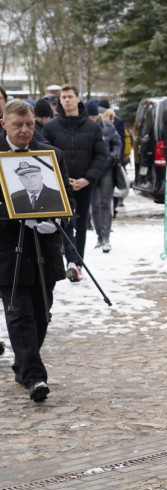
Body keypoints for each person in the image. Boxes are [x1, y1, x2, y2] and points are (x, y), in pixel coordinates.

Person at [0, 99, 74, 403]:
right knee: (19, 314)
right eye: (18, 124)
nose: (25, 130)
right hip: (6, 251)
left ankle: (23, 363)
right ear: (4, 123)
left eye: (29, 124)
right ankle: (35, 377)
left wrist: (57, 220)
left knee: (42, 313)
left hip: (44, 248)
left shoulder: (51, 156)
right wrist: (12, 213)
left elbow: (67, 198)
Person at [42, 84, 106, 283]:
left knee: (82, 223)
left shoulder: (92, 127)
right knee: (66, 222)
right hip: (61, 184)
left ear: (78, 99)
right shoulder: (51, 127)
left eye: (70, 96)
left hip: (84, 184)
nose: (67, 100)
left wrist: (88, 179)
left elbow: (100, 156)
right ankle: (71, 262)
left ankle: (78, 263)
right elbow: (46, 156)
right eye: (63, 97)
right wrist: (61, 179)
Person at [89, 106, 121, 253]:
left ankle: (106, 237)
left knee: (104, 203)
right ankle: (99, 236)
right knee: (94, 205)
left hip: (107, 169)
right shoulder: (84, 126)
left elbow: (117, 142)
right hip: (90, 171)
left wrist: (114, 155)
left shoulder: (107, 125)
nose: (92, 119)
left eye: (93, 116)